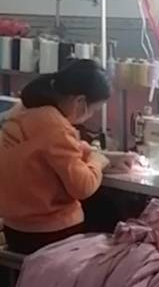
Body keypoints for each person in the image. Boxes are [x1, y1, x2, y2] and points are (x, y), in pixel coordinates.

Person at [0, 59, 127, 254]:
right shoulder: (56, 126)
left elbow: (57, 148)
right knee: (111, 212)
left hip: (14, 229)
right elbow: (83, 187)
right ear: (80, 101)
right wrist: (98, 162)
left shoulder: (23, 110)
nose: (90, 116)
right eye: (93, 110)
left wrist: (105, 156)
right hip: (48, 234)